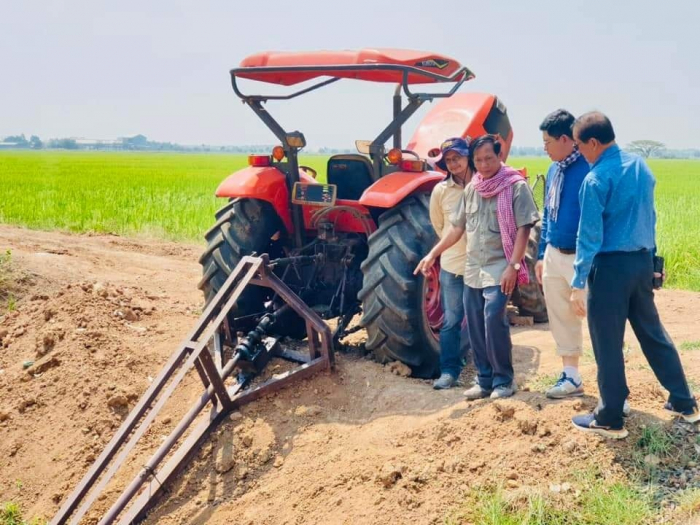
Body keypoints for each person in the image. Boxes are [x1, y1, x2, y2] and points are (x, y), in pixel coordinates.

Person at [570, 111, 698, 439]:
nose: (580, 153)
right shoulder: (640, 166)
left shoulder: (595, 179)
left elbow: (589, 236)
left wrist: (578, 282)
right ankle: (684, 402)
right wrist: (653, 260)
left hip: (609, 269)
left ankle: (610, 417)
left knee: (607, 342)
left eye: (579, 147)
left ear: (593, 143)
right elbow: (650, 217)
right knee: (653, 333)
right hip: (641, 263)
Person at [415, 135, 540, 399]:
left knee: (493, 318)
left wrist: (513, 265)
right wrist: (432, 254)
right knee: (473, 323)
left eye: (489, 159)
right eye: (479, 160)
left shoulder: (515, 186)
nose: (484, 165)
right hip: (472, 267)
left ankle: (503, 380)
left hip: (500, 265)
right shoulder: (472, 189)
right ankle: (484, 380)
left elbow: (524, 228)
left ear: (500, 156)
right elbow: (456, 228)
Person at [535, 109, 590, 399]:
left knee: (599, 318)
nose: (544, 148)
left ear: (566, 139)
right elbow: (547, 213)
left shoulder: (589, 168)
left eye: (548, 142)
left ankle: (612, 384)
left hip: (583, 257)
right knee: (561, 315)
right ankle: (571, 376)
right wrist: (541, 253)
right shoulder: (554, 170)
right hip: (554, 254)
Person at [429, 137, 473, 389]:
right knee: (451, 320)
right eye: (448, 160)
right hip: (453, 264)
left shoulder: (482, 183)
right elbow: (440, 226)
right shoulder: (441, 191)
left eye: (457, 157)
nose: (453, 163)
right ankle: (449, 371)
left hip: (481, 265)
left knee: (483, 319)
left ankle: (488, 372)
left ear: (468, 156)